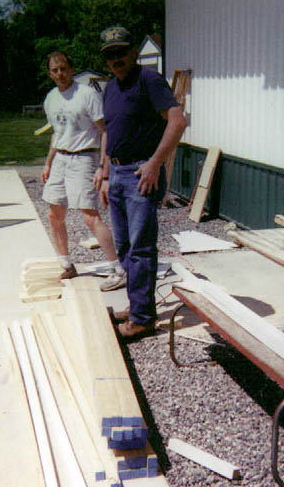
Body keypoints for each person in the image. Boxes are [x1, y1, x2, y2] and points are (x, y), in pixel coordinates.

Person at [98, 26, 188, 339]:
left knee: (140, 248)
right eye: (110, 55)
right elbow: (110, 132)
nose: (116, 59)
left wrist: (154, 163)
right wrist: (105, 174)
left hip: (140, 174)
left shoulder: (149, 80)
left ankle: (143, 318)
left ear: (133, 51)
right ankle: (138, 306)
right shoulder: (110, 87)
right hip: (117, 174)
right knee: (125, 247)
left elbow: (178, 121)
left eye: (121, 52)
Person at [41, 51, 126, 291]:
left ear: (71, 69)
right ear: (50, 74)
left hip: (84, 158)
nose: (60, 74)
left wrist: (102, 166)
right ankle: (66, 264)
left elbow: (104, 131)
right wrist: (48, 163)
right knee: (54, 213)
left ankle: (117, 269)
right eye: (55, 70)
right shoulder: (50, 99)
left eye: (63, 69)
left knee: (89, 216)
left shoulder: (87, 94)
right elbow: (57, 134)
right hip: (60, 158)